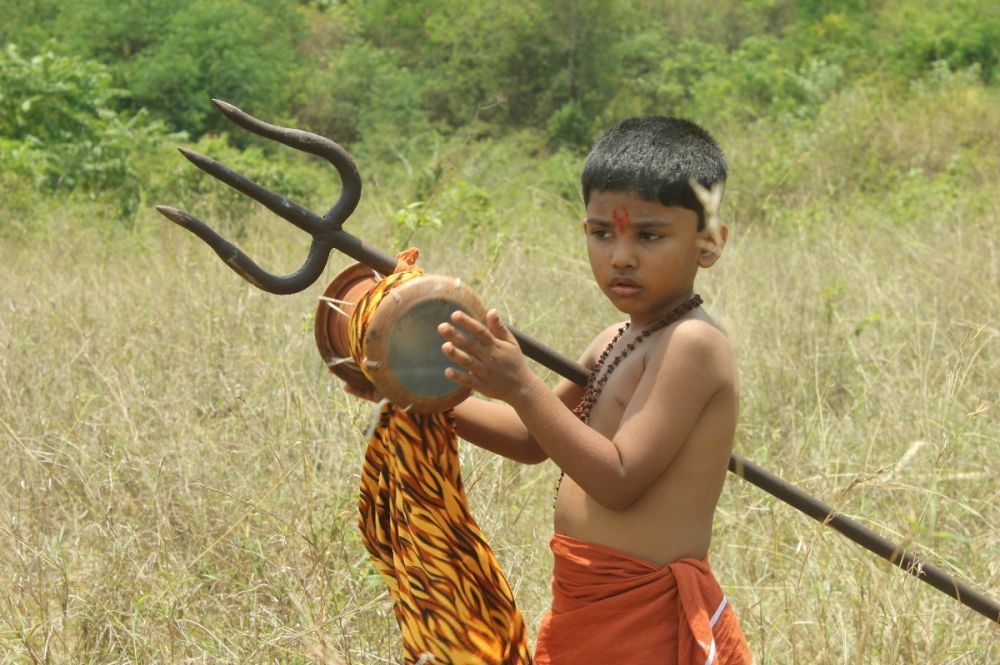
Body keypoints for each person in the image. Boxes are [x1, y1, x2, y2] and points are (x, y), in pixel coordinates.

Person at [351, 116, 751, 663]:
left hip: (646, 617)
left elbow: (617, 480)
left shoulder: (693, 345)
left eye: (649, 235)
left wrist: (519, 383)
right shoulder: (616, 338)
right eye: (602, 233)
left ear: (709, 242)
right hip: (584, 598)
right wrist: (411, 392)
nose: (621, 256)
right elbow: (529, 438)